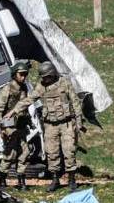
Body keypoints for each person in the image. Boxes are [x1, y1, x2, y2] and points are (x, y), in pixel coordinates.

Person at [6, 61, 82, 192]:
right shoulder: (41, 86)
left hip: (67, 123)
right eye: (43, 77)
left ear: (52, 74)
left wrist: (79, 121)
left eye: (47, 76)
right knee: (52, 152)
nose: (45, 79)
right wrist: (14, 110)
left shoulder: (64, 83)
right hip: (50, 125)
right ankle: (55, 179)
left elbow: (75, 101)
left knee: (69, 150)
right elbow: (29, 99)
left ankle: (71, 179)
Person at [0, 62, 31, 191]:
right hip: (9, 127)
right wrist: (1, 127)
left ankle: (21, 181)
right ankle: (2, 181)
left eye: (25, 74)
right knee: (10, 155)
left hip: (21, 125)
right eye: (21, 74)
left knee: (24, 153)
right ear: (14, 74)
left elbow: (24, 107)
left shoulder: (24, 88)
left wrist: (28, 121)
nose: (23, 77)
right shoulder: (7, 89)